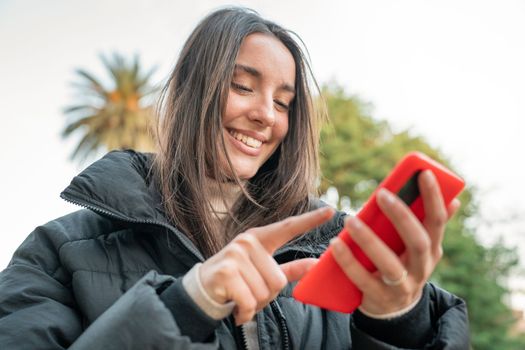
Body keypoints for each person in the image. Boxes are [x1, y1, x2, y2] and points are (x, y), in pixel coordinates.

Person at [0, 7, 469, 349]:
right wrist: (188, 304)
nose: (266, 115)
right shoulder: (57, 252)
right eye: (243, 86)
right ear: (188, 91)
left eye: (283, 102)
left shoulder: (337, 251)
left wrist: (397, 321)